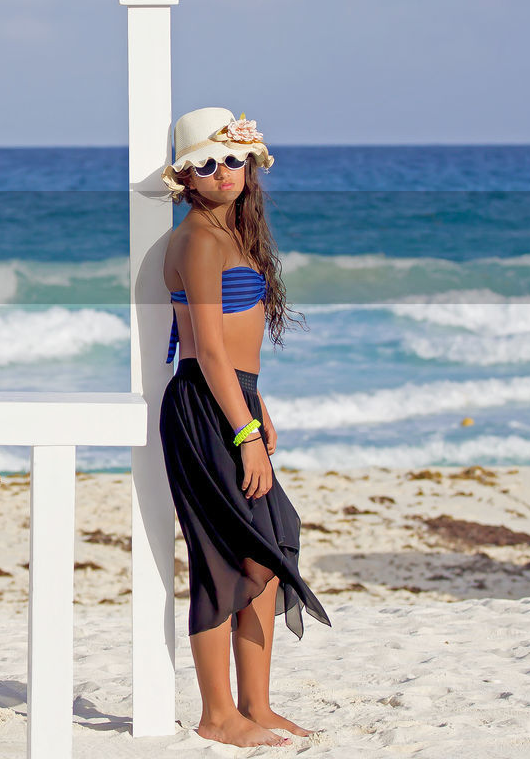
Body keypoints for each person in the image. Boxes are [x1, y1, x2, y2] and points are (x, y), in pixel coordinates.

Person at [158, 106, 330, 748]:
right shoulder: (199, 239)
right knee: (225, 561)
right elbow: (206, 345)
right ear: (186, 177)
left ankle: (255, 705)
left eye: (233, 159)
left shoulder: (236, 232)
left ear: (251, 163)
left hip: (236, 401)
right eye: (206, 163)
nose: (222, 173)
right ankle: (216, 714)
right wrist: (244, 434)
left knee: (266, 549)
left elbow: (242, 345)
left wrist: (259, 410)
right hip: (207, 410)